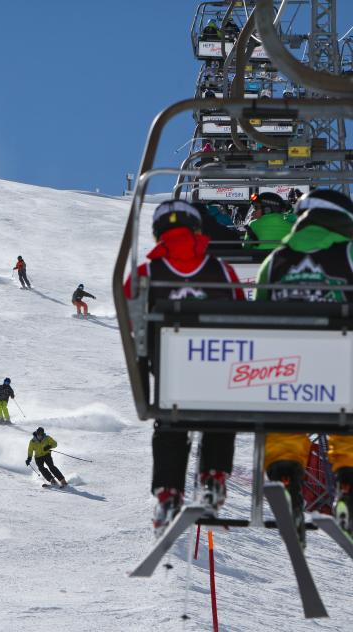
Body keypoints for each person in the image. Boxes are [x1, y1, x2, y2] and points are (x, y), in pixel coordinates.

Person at [123, 200, 245, 536]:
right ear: (197, 230)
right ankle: (214, 477)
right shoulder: (219, 269)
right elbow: (241, 310)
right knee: (221, 414)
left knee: (170, 423)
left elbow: (130, 313)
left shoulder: (148, 273)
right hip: (217, 366)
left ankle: (167, 493)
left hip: (172, 372)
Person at [256, 189, 353, 543]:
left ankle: (285, 473)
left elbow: (259, 313)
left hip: (290, 370)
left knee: (284, 414)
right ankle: (347, 482)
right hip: (343, 367)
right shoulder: (349, 252)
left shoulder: (276, 261)